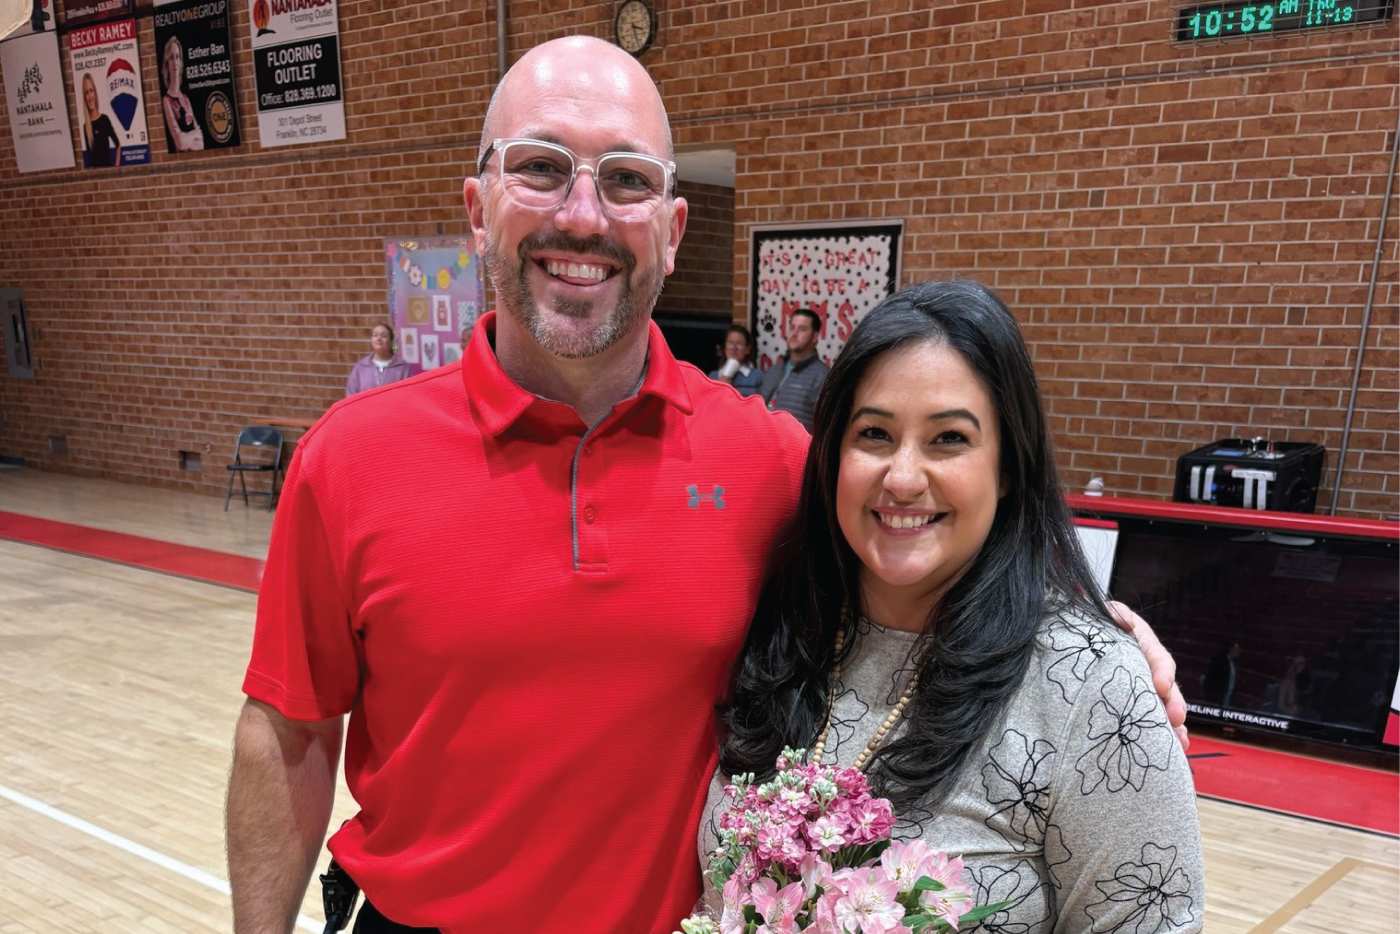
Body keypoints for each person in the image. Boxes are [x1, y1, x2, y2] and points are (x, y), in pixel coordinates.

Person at [225, 37, 1186, 934]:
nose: (583, 215)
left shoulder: (773, 463)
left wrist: (1100, 656)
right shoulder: (348, 458)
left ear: (674, 230)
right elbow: (289, 731)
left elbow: (924, 546)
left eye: (628, 181)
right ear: (478, 205)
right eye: (540, 166)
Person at [706, 281, 1204, 933]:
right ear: (832, 458)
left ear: (1007, 468)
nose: (904, 477)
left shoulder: (1089, 690)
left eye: (948, 440)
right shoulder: (781, 627)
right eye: (875, 433)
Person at [759, 307, 828, 431]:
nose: (794, 334)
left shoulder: (822, 376)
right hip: (763, 443)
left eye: (802, 329)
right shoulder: (774, 371)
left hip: (796, 447)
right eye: (792, 328)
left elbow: (825, 426)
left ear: (815, 337)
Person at [160, 36, 205, 152]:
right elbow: (179, 143)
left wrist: (189, 137)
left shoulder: (185, 99)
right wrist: (193, 135)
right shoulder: (167, 100)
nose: (175, 62)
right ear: (166, 63)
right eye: (171, 58)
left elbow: (201, 141)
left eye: (177, 57)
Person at [344, 323, 411, 396]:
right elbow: (351, 394)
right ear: (371, 340)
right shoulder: (361, 367)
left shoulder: (402, 367)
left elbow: (409, 394)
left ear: (391, 341)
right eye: (375, 335)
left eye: (384, 336)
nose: (379, 338)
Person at [709, 323, 764, 397]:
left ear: (747, 349)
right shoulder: (713, 376)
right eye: (730, 343)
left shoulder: (757, 376)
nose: (734, 348)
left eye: (739, 344)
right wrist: (718, 388)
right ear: (725, 348)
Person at [80, 72, 119, 169]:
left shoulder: (104, 120)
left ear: (95, 92)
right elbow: (89, 160)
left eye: (91, 91)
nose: (90, 96)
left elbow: (118, 145)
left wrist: (116, 168)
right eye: (86, 93)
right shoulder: (86, 127)